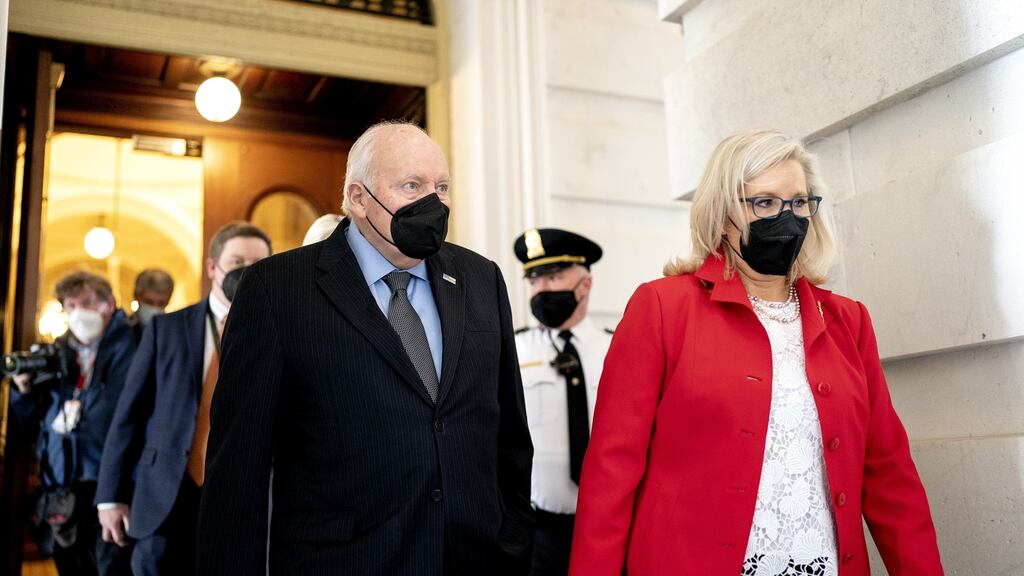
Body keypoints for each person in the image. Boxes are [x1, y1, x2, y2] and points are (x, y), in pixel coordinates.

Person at [568, 130, 943, 576]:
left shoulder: (848, 321)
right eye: (764, 203)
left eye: (799, 203)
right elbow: (612, 470)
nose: (787, 218)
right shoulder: (663, 308)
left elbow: (889, 475)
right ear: (723, 214)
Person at [196, 121, 534, 576]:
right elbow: (238, 470)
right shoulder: (276, 290)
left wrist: (512, 545)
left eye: (442, 186)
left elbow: (510, 436)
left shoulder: (480, 279)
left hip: (473, 559)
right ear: (358, 198)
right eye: (412, 186)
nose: (433, 202)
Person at [94, 222, 272, 576]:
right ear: (212, 267)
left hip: (239, 502)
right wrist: (109, 496)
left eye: (258, 265)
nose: (247, 273)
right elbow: (128, 415)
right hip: (164, 498)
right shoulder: (167, 329)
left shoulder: (275, 332)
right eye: (237, 262)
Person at [10, 271, 135, 576]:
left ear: (109, 304)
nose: (80, 311)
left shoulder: (135, 345)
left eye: (89, 302)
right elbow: (28, 425)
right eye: (71, 305)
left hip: (113, 486)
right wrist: (22, 391)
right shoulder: (56, 355)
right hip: (63, 490)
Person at [512, 228, 609, 576]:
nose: (541, 290)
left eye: (553, 277)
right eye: (534, 281)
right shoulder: (513, 350)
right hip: (537, 530)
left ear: (584, 286)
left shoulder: (616, 349)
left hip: (603, 525)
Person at [128, 268, 174, 342]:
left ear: (168, 300)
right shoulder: (123, 330)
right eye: (149, 302)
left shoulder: (175, 333)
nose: (155, 309)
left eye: (161, 303)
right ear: (136, 296)